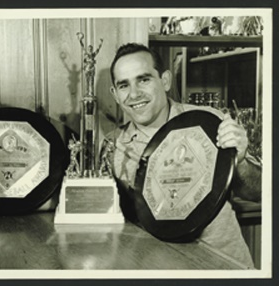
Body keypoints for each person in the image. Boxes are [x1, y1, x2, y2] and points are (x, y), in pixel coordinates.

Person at [106, 43, 261, 268]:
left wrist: (240, 161)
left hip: (224, 267)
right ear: (116, 95)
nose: (134, 94)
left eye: (144, 79)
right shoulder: (112, 147)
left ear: (166, 80)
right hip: (160, 269)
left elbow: (259, 193)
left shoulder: (211, 122)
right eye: (123, 85)